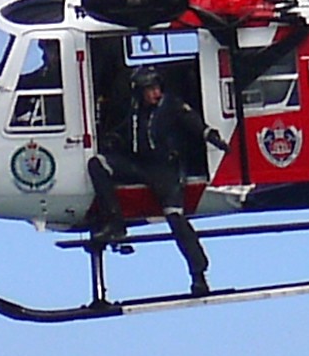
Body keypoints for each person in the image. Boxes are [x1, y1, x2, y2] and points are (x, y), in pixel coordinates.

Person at [87, 66, 225, 296]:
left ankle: (198, 275)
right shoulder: (133, 109)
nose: (155, 93)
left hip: (165, 170)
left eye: (157, 88)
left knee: (175, 219)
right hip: (139, 165)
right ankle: (116, 224)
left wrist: (210, 135)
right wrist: (113, 139)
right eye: (150, 89)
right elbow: (128, 130)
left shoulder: (171, 105)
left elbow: (191, 120)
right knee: (97, 164)